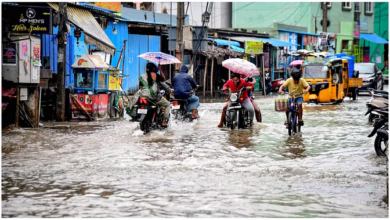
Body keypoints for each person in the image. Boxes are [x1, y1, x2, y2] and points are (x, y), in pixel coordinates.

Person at [127, 63, 172, 127]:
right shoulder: (157, 76)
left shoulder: (142, 76)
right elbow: (165, 86)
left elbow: (140, 87)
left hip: (142, 96)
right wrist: (170, 90)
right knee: (167, 104)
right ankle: (164, 121)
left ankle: (133, 117)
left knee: (136, 103)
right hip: (153, 98)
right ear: (154, 68)